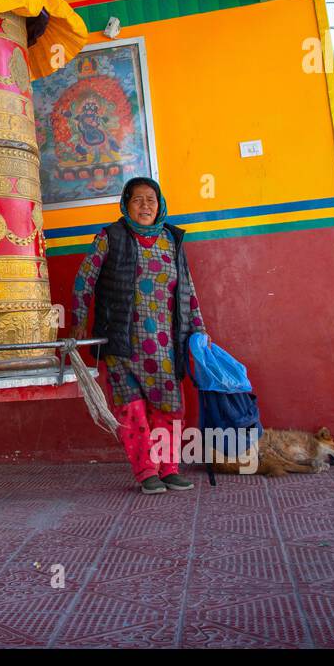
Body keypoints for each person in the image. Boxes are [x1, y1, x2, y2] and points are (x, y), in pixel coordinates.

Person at [71, 176, 206, 493]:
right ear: (126, 204)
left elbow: (187, 290)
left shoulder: (172, 240)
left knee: (169, 406)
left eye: (151, 199)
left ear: (160, 205)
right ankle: (146, 472)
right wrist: (78, 321)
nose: (145, 205)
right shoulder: (110, 237)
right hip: (121, 343)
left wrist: (199, 329)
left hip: (165, 346)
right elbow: (83, 280)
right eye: (137, 199)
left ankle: (169, 469)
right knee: (132, 410)